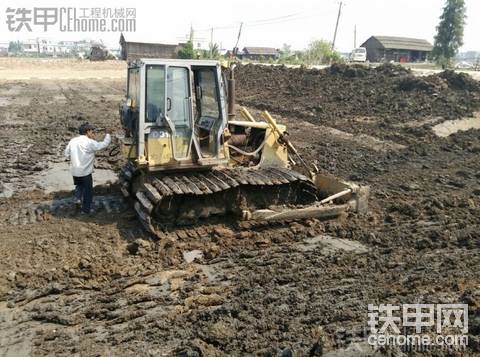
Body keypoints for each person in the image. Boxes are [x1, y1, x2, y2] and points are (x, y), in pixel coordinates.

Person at [64, 123, 111, 214]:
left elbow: (66, 154)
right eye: (91, 131)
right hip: (85, 172)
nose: (92, 133)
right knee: (88, 191)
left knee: (79, 186)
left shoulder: (73, 141)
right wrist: (108, 134)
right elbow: (103, 145)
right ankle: (86, 210)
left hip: (75, 171)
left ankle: (78, 200)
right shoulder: (89, 142)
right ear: (87, 131)